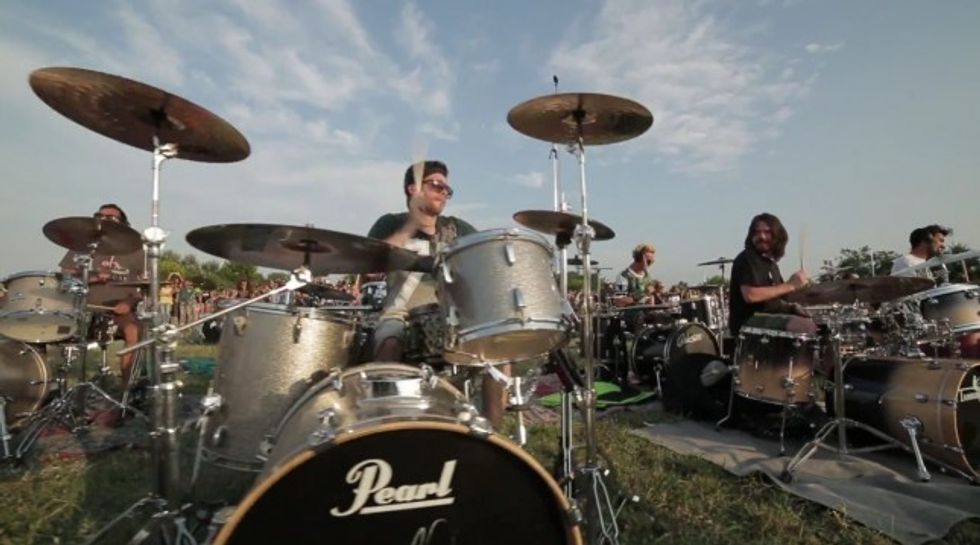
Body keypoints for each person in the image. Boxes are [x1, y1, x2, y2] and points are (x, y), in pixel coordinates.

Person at [367, 160, 516, 426]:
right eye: (437, 186)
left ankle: (490, 433)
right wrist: (411, 225)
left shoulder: (457, 228)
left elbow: (486, 264)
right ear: (413, 188)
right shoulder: (389, 223)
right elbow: (370, 267)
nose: (444, 193)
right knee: (389, 342)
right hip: (400, 313)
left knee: (499, 350)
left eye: (447, 189)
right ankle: (384, 425)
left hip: (454, 317)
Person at [59, 204, 144, 383]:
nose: (104, 219)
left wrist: (129, 303)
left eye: (111, 217)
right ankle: (48, 384)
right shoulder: (82, 246)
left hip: (119, 311)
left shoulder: (135, 250)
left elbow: (146, 286)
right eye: (100, 216)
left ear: (123, 223)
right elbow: (65, 278)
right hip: (83, 308)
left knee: (134, 332)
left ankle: (127, 389)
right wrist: (94, 278)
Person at [728, 213, 811, 337]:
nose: (761, 236)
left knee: (819, 324)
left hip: (767, 318)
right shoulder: (747, 259)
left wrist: (792, 307)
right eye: (756, 232)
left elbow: (776, 299)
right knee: (806, 326)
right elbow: (750, 295)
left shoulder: (770, 264)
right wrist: (791, 285)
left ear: (778, 236)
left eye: (767, 232)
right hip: (748, 323)